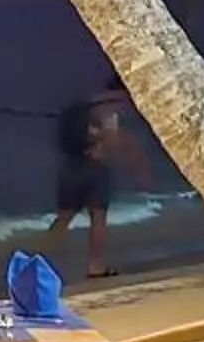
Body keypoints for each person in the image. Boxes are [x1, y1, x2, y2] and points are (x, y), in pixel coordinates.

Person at [44, 75, 144, 280]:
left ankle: (36, 263)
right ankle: (96, 266)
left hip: (70, 167)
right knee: (98, 218)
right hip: (94, 169)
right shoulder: (112, 107)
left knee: (63, 218)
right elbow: (113, 140)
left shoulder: (84, 107)